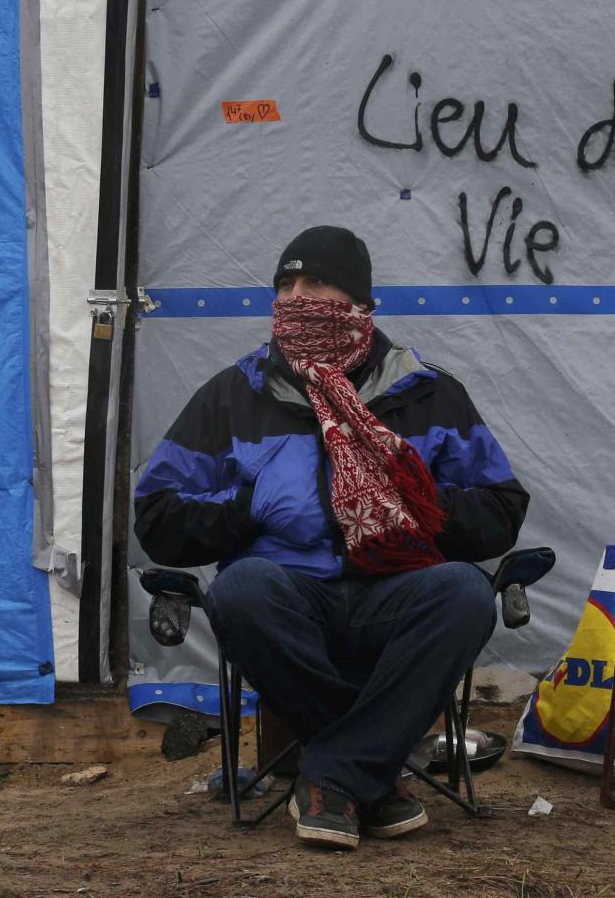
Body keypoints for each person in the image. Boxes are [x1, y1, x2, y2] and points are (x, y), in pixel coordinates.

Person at [133, 225, 530, 850]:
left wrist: (418, 503)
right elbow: (157, 517)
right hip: (288, 598)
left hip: (393, 592)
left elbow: (501, 509)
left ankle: (334, 774)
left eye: (316, 282)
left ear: (360, 301)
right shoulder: (234, 396)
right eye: (285, 284)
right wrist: (245, 506)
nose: (296, 296)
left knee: (462, 593)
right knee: (242, 589)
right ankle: (371, 772)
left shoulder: (427, 393)